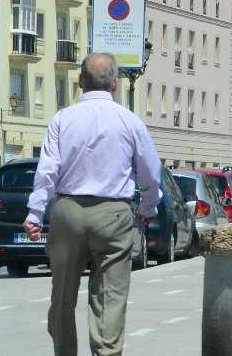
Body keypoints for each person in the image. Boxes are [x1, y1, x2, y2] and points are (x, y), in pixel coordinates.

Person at [23, 52, 162, 356]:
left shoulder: (63, 119)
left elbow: (47, 171)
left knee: (62, 294)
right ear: (115, 84)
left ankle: (64, 351)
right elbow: (151, 172)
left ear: (79, 82)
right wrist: (149, 207)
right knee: (109, 297)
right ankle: (107, 351)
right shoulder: (130, 121)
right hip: (113, 214)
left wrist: (35, 214)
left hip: (68, 211)